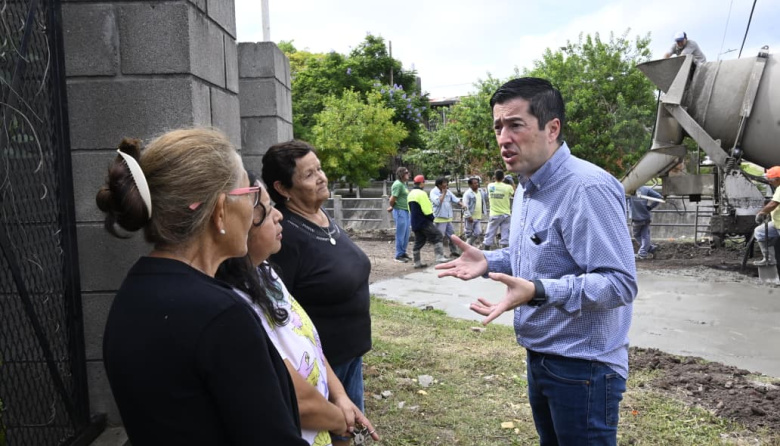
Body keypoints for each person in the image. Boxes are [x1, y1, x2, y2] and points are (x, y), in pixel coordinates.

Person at [437, 77, 637, 445]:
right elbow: (537, 255)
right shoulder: (527, 186)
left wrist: (537, 291)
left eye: (515, 125)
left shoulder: (586, 188)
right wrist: (490, 260)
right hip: (542, 356)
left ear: (552, 128)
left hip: (584, 367)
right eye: (498, 127)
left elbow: (619, 284)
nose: (503, 138)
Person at [96, 128, 307, 445]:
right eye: (248, 194)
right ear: (220, 211)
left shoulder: (133, 291)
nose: (254, 209)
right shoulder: (222, 317)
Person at [217, 177, 379, 446]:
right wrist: (341, 421)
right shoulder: (233, 307)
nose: (279, 215)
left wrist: (339, 395)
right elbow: (293, 399)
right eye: (267, 211)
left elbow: (307, 340)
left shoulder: (265, 272)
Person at [261, 140, 372, 445]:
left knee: (350, 431)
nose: (321, 177)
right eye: (309, 175)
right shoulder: (285, 238)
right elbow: (282, 313)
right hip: (321, 368)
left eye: (319, 168)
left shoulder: (322, 218)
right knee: (334, 432)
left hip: (351, 357)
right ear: (283, 188)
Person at [408, 174, 449, 268]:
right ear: (421, 183)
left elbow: (409, 208)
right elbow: (426, 209)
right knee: (437, 235)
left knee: (419, 241)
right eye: (424, 182)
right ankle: (439, 257)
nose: (424, 184)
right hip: (424, 221)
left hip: (414, 221)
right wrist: (431, 217)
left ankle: (417, 262)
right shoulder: (421, 193)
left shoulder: (410, 193)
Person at [430, 176, 466, 257]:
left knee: (452, 235)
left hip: (447, 218)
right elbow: (438, 202)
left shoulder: (448, 192)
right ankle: (439, 255)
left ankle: (454, 251)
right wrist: (443, 193)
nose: (446, 184)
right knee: (439, 237)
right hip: (439, 218)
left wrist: (462, 205)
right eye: (444, 183)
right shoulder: (433, 192)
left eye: (446, 183)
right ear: (439, 185)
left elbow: (455, 199)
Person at [752, 166, 780, 266]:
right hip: (777, 223)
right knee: (760, 232)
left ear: (777, 179)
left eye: (770, 179)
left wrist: (762, 213)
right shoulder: (778, 188)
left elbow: (773, 204)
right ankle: (769, 259)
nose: (769, 182)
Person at [630, 185, 663, 260]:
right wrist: (650, 207)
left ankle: (643, 253)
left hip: (636, 217)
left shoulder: (630, 189)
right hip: (646, 216)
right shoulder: (646, 189)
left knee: (637, 235)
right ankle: (650, 248)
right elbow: (659, 197)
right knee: (645, 235)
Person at [483, 169, 514, 249]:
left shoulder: (490, 186)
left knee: (490, 234)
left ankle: (486, 251)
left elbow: (488, 192)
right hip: (506, 215)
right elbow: (515, 192)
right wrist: (511, 182)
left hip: (494, 214)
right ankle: (504, 253)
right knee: (505, 236)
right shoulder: (508, 187)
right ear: (503, 177)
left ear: (494, 177)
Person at [387, 166, 411, 263]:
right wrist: (392, 206)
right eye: (406, 172)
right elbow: (392, 198)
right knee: (401, 233)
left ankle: (403, 252)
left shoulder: (404, 184)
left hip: (405, 210)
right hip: (400, 210)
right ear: (401, 174)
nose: (408, 174)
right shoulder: (398, 184)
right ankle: (398, 255)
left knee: (406, 233)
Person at [462, 177, 489, 246]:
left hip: (478, 216)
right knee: (468, 233)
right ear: (470, 185)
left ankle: (467, 245)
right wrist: (468, 216)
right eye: (474, 183)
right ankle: (467, 247)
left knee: (478, 232)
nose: (477, 184)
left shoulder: (480, 191)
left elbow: (487, 197)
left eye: (477, 183)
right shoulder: (467, 193)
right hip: (470, 217)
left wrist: (488, 188)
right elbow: (464, 205)